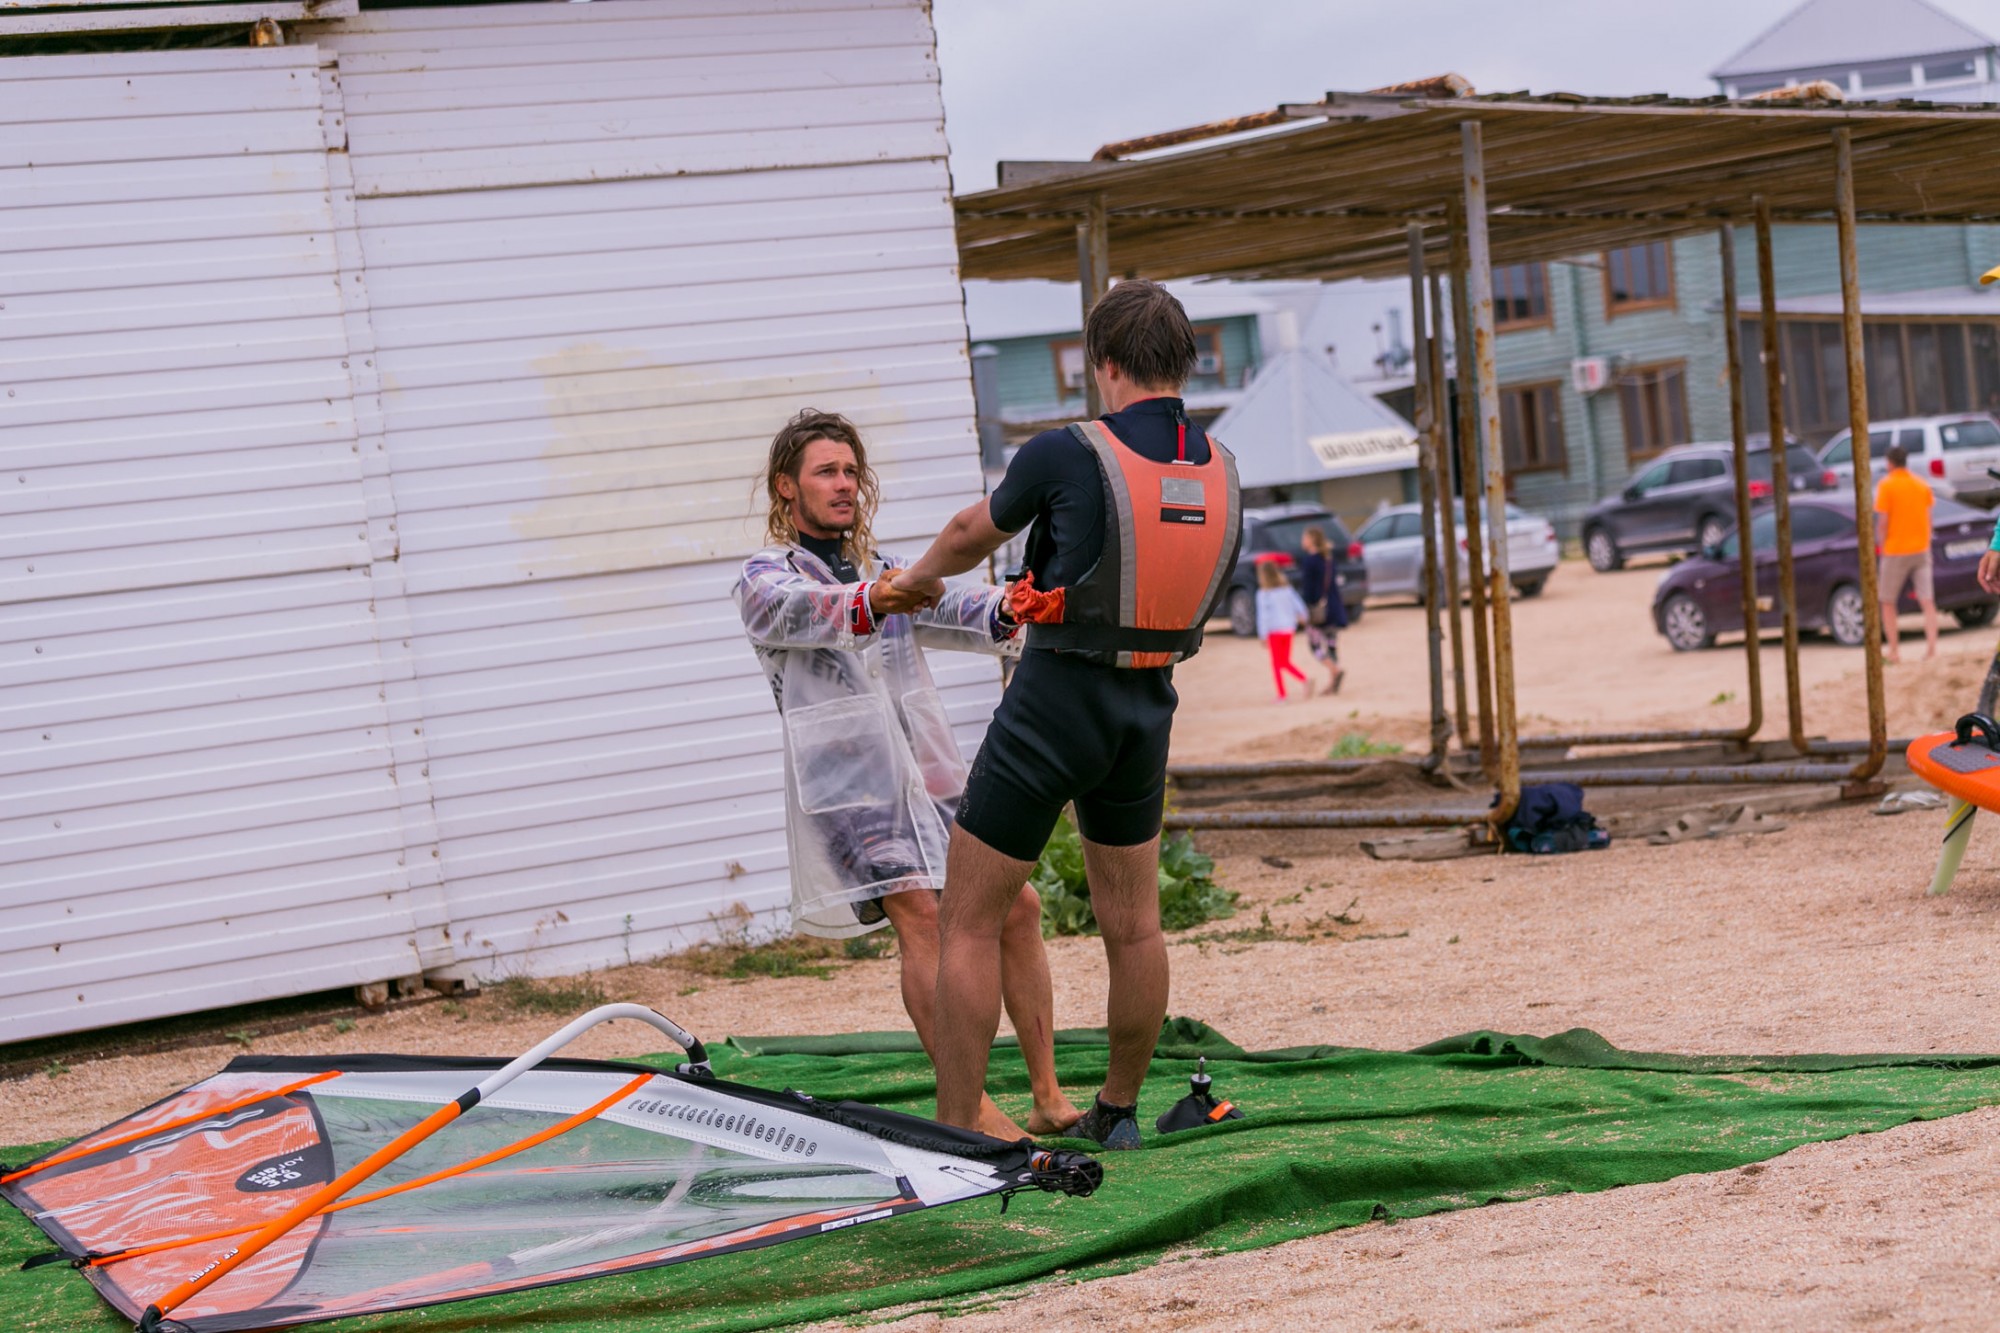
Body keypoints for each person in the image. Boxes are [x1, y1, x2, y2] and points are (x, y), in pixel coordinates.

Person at [893, 280, 1243, 1149]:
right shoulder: (1222, 468)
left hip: (1054, 702)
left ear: (1105, 364)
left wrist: (917, 579)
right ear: (1184, 362)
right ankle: (1116, 1112)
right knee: (1136, 926)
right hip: (1147, 708)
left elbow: (971, 531)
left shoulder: (1067, 451)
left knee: (970, 919)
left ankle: (956, 1133)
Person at [734, 408, 1081, 1141]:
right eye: (826, 472)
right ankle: (971, 1109)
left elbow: (956, 607)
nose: (844, 484)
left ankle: (1048, 1096)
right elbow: (797, 611)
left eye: (851, 471)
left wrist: (1013, 605)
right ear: (786, 487)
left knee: (1016, 907)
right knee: (922, 916)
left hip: (926, 776)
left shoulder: (885, 568)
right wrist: (876, 598)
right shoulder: (767, 575)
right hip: (850, 790)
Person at [1874, 442, 1938, 663]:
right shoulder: (1921, 484)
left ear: (1889, 463)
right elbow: (1929, 517)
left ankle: (1894, 650)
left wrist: (1882, 546)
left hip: (1896, 550)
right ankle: (1932, 648)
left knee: (1887, 601)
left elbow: (1883, 521)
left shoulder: (1887, 485)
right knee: (1927, 600)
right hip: (1921, 548)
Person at [1295, 525, 1348, 693]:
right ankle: (1333, 682)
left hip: (1318, 610)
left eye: (1304, 537)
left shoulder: (1310, 561)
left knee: (1315, 646)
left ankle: (1335, 670)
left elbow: (1309, 589)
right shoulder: (1328, 558)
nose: (1302, 541)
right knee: (1331, 645)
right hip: (1333, 607)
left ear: (1311, 540)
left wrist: (1305, 610)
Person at [1255, 559, 1314, 701]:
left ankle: (1282, 694)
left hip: (1274, 631)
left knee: (1277, 664)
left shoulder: (1263, 594)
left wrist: (1262, 635)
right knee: (1284, 661)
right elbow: (1299, 605)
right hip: (1288, 629)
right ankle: (1303, 680)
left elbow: (1263, 616)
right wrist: (1304, 617)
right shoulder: (1286, 589)